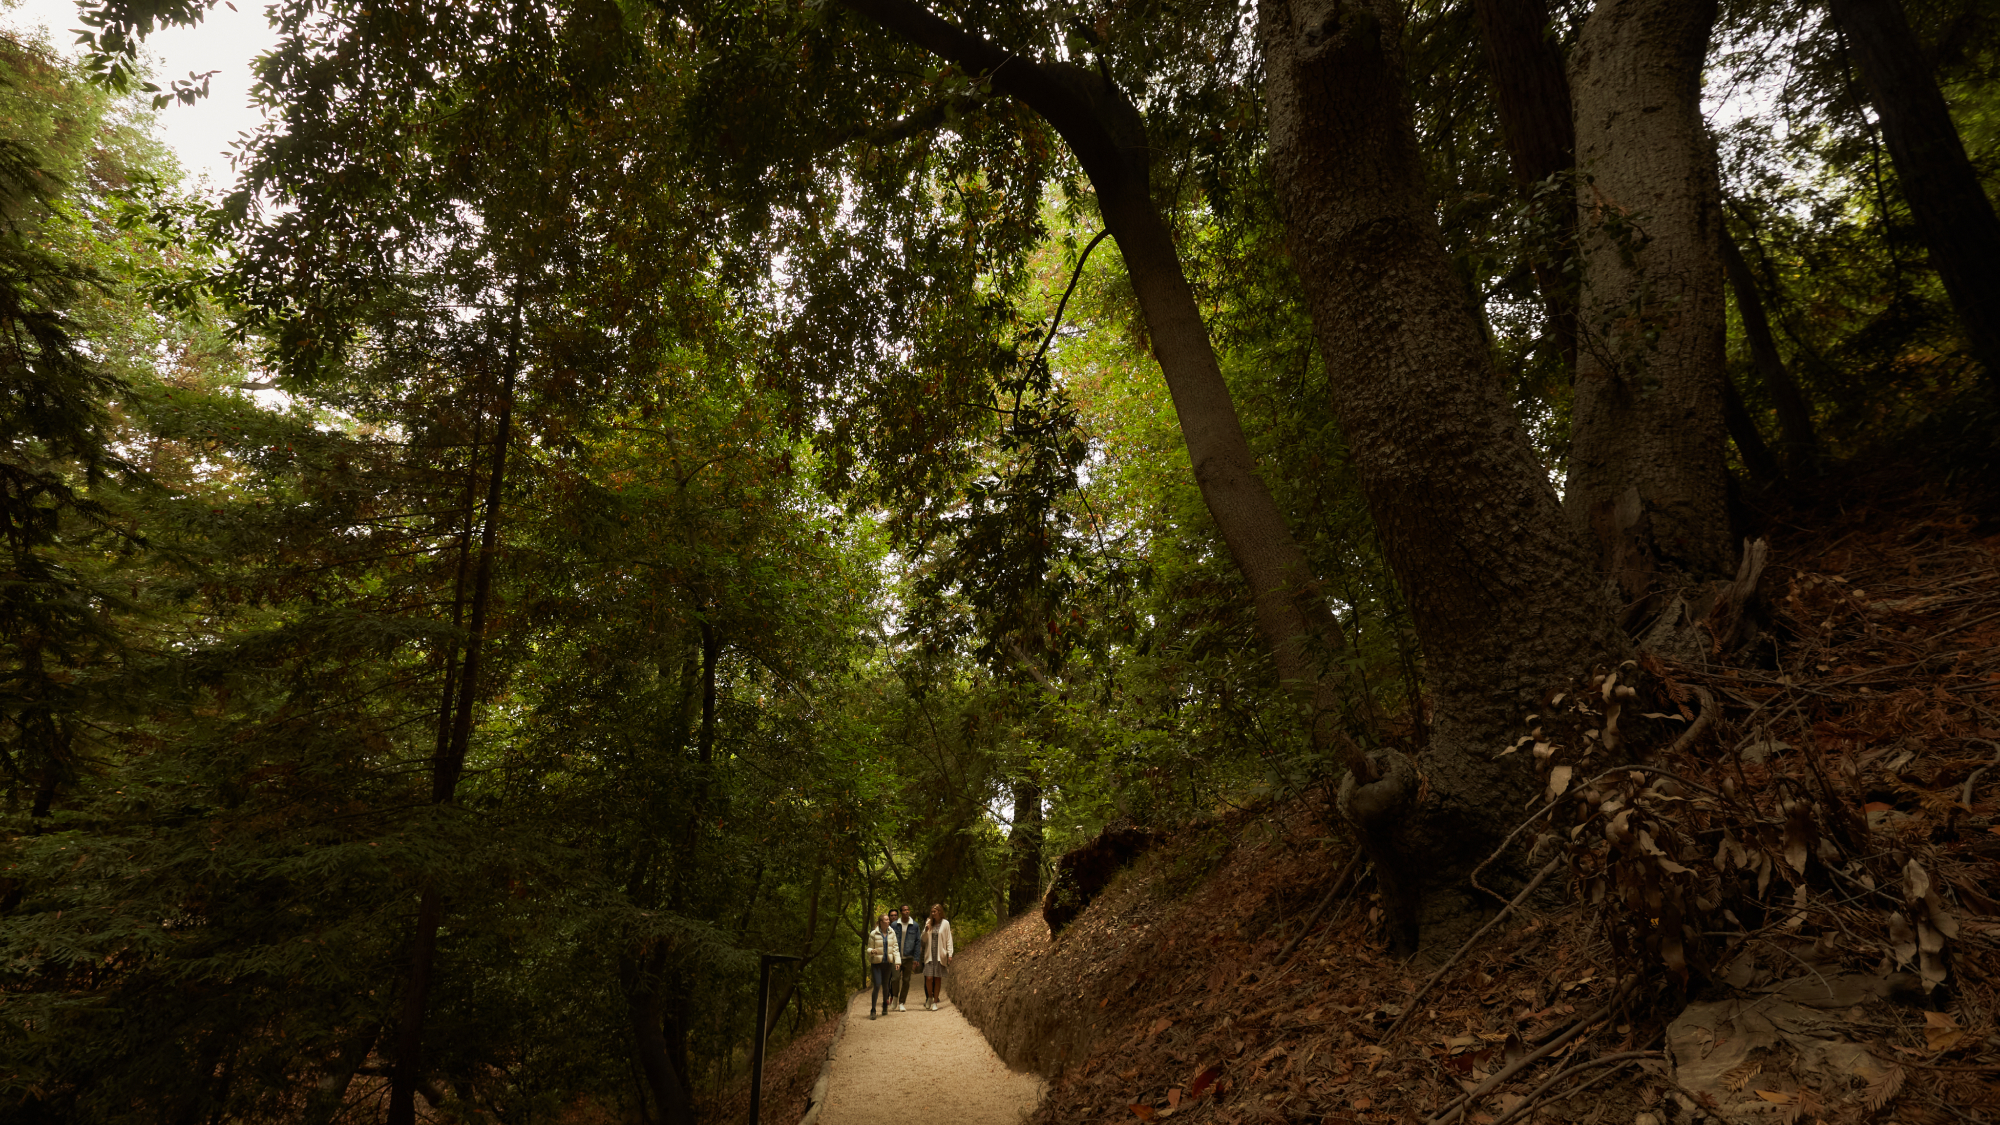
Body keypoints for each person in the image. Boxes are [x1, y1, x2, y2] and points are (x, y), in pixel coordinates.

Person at [918, 903, 952, 1011]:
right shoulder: (929, 923)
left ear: (939, 912)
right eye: (932, 912)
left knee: (937, 978)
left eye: (934, 911)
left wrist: (950, 954)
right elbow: (923, 939)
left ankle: (935, 1002)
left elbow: (948, 939)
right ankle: (929, 997)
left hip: (939, 955)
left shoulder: (945, 923)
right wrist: (927, 929)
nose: (933, 914)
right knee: (928, 978)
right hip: (929, 955)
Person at [865, 913, 899, 1019]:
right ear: (881, 922)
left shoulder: (892, 932)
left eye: (888, 919)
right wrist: (872, 951)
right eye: (886, 919)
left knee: (886, 986)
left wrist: (897, 962)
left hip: (887, 963)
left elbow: (895, 948)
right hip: (876, 964)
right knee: (877, 985)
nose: (888, 921)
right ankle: (873, 1009)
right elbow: (868, 948)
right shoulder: (873, 934)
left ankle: (885, 1004)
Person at [892, 904, 921, 1012]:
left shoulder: (915, 925)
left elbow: (918, 942)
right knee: (895, 978)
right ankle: (895, 997)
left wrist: (916, 959)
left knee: (906, 980)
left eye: (908, 909)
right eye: (904, 910)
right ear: (901, 912)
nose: (906, 911)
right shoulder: (895, 925)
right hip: (896, 957)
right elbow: (890, 941)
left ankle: (901, 1002)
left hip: (909, 957)